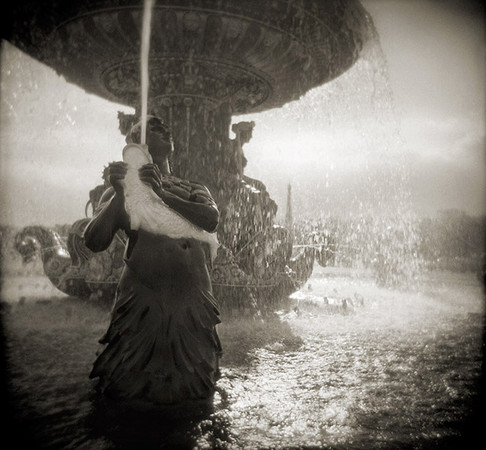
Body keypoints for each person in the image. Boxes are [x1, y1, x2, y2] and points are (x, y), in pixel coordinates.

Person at [83, 116, 222, 405]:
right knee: (130, 384)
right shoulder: (119, 190)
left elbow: (211, 219)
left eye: (164, 125)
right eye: (153, 126)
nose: (163, 126)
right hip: (142, 297)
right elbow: (94, 240)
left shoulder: (193, 187)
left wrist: (162, 196)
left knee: (195, 385)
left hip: (192, 297)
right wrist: (121, 194)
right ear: (136, 143)